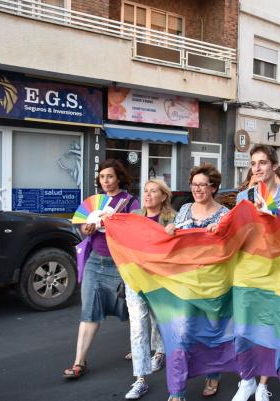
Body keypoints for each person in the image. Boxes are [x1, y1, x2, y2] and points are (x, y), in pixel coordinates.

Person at [63, 159, 140, 380]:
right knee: (88, 311)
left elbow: (134, 232)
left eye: (110, 176)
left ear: (119, 178)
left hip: (120, 263)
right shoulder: (94, 202)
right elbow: (84, 230)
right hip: (95, 262)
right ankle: (79, 362)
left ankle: (140, 346)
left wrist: (114, 223)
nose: (105, 181)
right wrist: (87, 229)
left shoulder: (130, 202)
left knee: (129, 310)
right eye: (102, 177)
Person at [164, 164, 229, 401]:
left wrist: (221, 233)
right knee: (182, 333)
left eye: (202, 185)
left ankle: (213, 374)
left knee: (212, 333)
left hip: (214, 285)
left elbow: (232, 247)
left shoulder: (224, 214)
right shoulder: (184, 209)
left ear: (213, 187)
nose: (197, 189)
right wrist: (169, 230)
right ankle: (177, 389)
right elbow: (174, 241)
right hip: (186, 282)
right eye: (194, 185)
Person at [233, 145, 280, 401]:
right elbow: (236, 233)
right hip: (246, 271)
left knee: (269, 330)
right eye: (254, 163)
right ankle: (246, 379)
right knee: (242, 330)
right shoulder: (245, 197)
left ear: (274, 166)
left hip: (276, 271)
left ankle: (263, 383)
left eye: (263, 162)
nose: (258, 168)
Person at [123, 180, 176, 399]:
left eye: (153, 191)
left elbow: (176, 247)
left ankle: (160, 351)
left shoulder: (172, 217)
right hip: (135, 277)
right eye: (145, 191)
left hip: (161, 279)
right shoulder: (134, 214)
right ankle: (140, 379)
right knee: (137, 326)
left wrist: (171, 233)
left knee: (159, 320)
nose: (147, 194)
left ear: (163, 196)